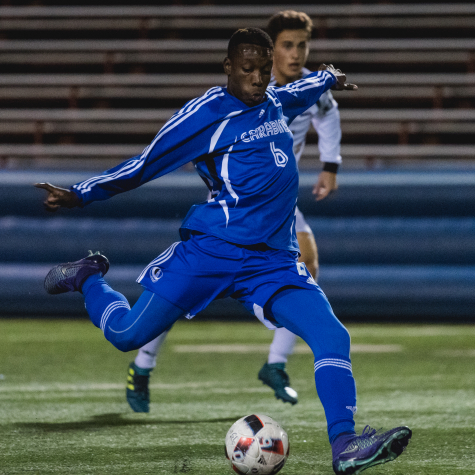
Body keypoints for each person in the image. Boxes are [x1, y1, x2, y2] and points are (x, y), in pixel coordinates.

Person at [36, 28, 411, 474]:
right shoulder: (205, 116)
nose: (257, 79)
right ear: (228, 67)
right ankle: (88, 277)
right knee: (126, 336)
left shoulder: (272, 100)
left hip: (272, 262)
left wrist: (328, 77)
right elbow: (143, 164)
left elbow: (297, 92)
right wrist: (80, 194)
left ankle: (345, 445)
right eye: (248, 70)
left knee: (334, 337)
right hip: (212, 251)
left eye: (264, 70)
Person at [126, 10, 343, 413]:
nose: (296, 55)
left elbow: (327, 113)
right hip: (235, 208)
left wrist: (330, 164)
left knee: (309, 267)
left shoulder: (308, 84)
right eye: (287, 46)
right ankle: (143, 361)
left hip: (279, 207)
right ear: (269, 50)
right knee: (176, 294)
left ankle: (275, 364)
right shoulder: (247, 90)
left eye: (302, 46)